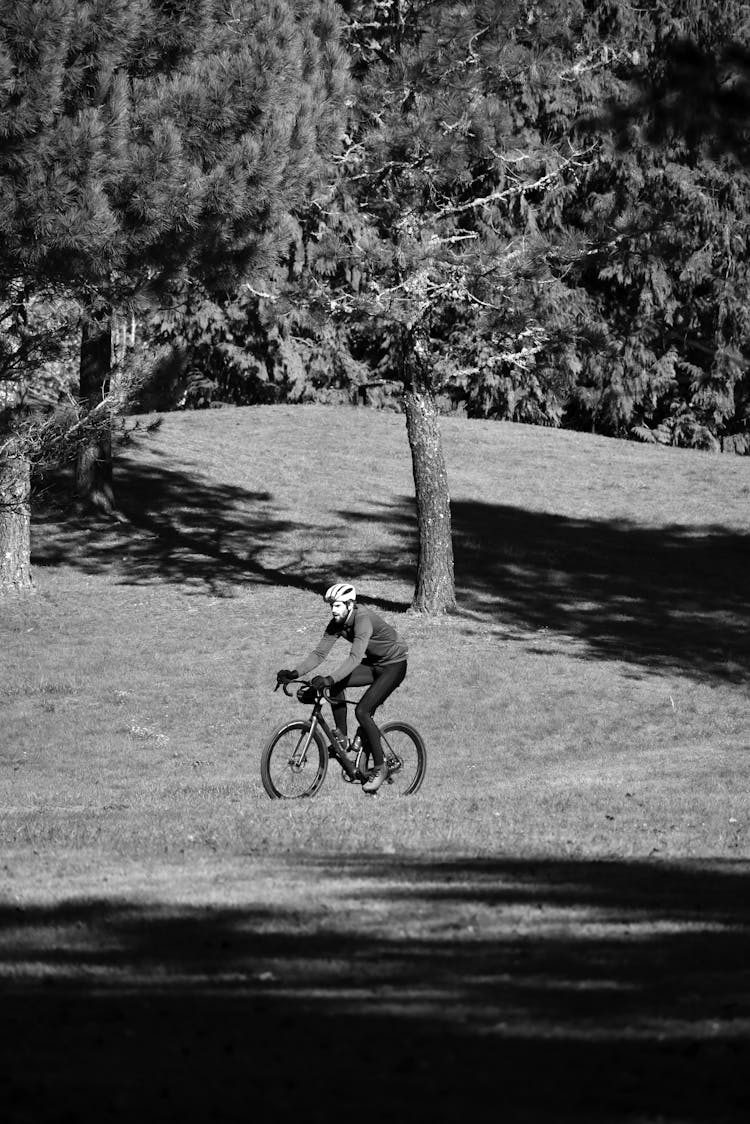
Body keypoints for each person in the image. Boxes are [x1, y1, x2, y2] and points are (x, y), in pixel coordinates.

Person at [276, 582, 408, 794]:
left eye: (337, 605)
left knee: (362, 711)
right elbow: (319, 654)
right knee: (336, 684)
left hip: (394, 665)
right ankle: (342, 737)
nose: (333, 610)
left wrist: (329, 679)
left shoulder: (363, 619)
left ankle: (381, 766)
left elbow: (355, 657)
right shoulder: (336, 623)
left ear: (350, 604)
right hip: (374, 664)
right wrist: (294, 673)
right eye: (331, 606)